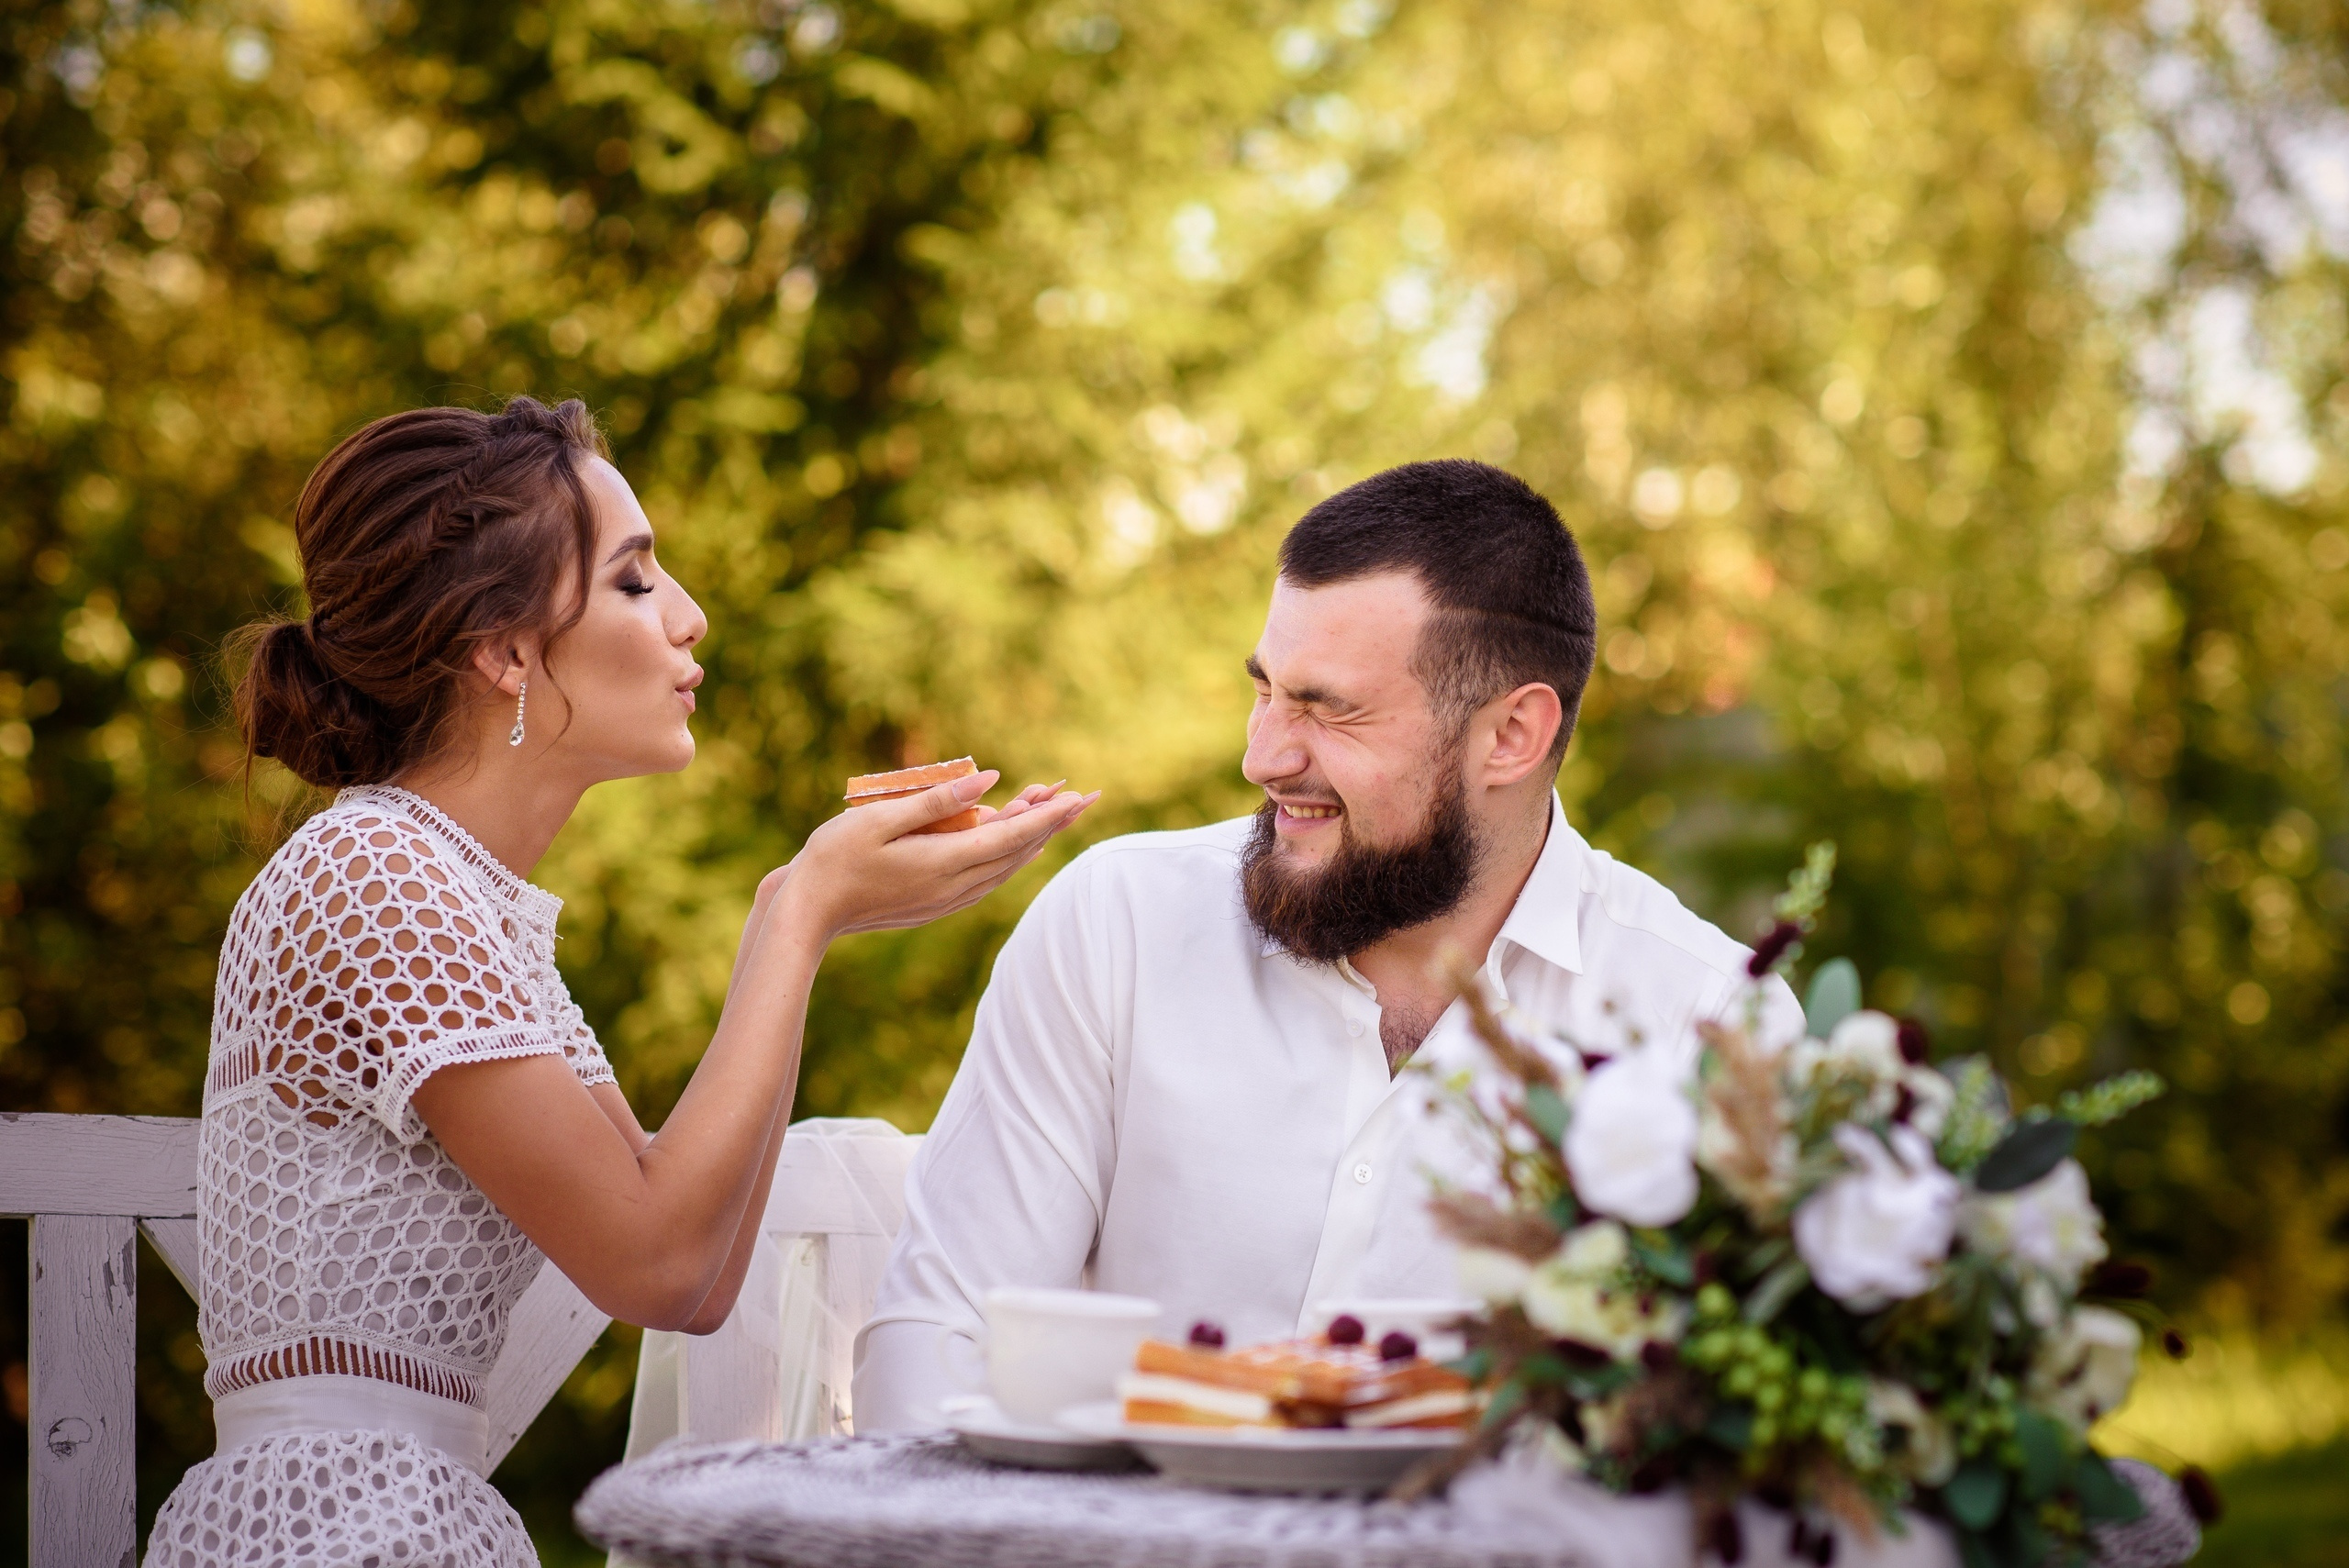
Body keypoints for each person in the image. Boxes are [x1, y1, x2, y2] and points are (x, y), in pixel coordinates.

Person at [145, 396, 1093, 1567]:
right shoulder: (375, 874)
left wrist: (783, 921)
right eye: (636, 582)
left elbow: (690, 1275)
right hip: (336, 1530)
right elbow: (652, 1258)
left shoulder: (467, 904)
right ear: (504, 652)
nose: (690, 616)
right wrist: (802, 916)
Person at [853, 459, 1800, 1432]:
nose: (1263, 755)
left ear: (1511, 735)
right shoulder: (1115, 922)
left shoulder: (1706, 1018)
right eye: (1264, 691)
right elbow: (942, 1332)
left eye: (1328, 707)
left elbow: (1727, 1435)